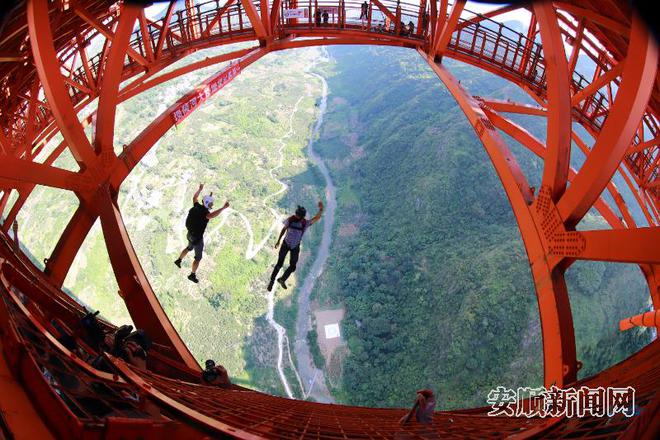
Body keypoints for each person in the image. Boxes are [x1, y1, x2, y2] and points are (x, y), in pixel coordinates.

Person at [175, 183, 229, 283]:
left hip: (190, 235)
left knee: (189, 248)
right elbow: (212, 215)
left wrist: (200, 190)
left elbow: (195, 197)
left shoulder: (197, 206)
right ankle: (192, 275)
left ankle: (178, 260)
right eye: (211, 203)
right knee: (198, 258)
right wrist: (223, 208)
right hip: (197, 239)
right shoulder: (206, 214)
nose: (212, 205)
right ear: (207, 203)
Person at [268, 201, 324, 291]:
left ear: (301, 216)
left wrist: (321, 209)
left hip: (294, 246)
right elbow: (283, 229)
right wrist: (278, 241)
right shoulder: (291, 220)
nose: (296, 216)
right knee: (279, 264)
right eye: (296, 214)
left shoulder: (304, 223)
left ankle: (282, 279)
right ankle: (272, 281)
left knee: (293, 266)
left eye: (297, 215)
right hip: (287, 244)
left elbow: (316, 218)